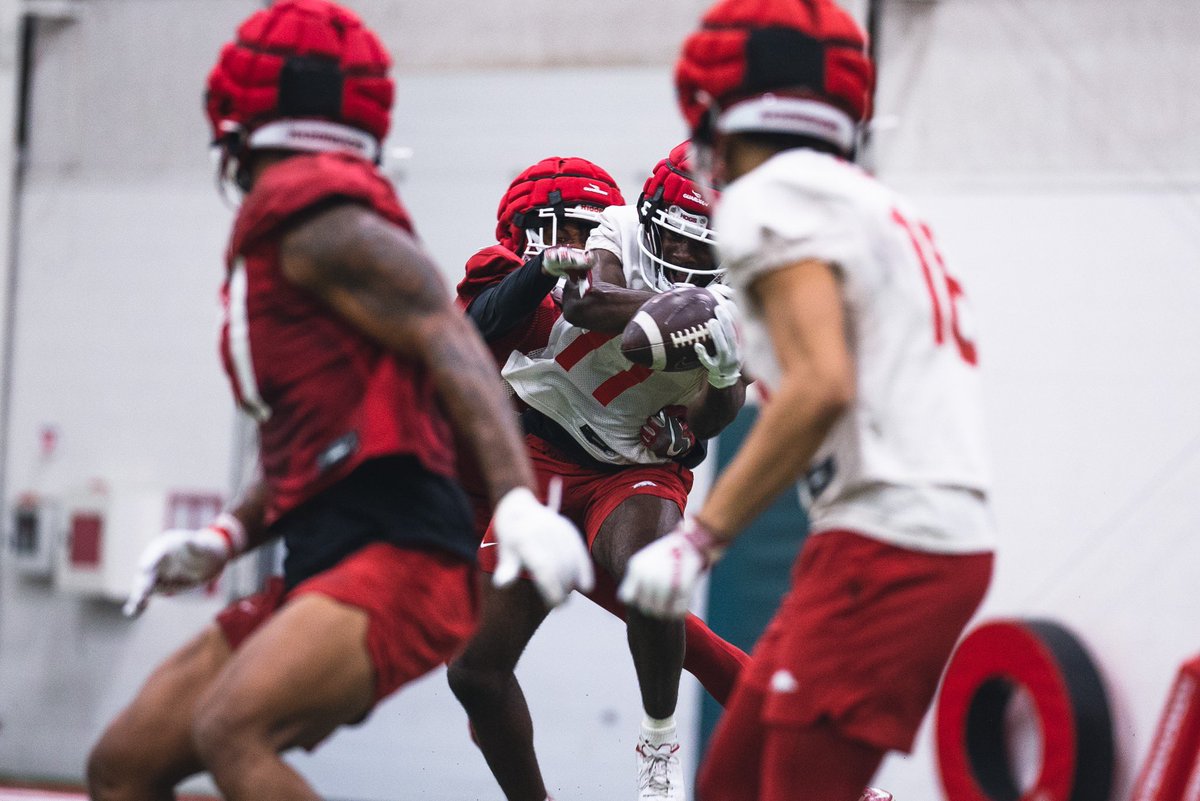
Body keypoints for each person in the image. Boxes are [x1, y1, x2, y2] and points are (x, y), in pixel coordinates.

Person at [85, 2, 592, 800]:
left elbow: (451, 337)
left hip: (401, 553)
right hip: (327, 551)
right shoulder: (296, 229)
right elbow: (317, 431)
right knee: (123, 765)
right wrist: (226, 534)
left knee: (233, 731)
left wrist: (519, 503)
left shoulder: (320, 216)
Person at [618, 2, 995, 801]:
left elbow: (824, 385)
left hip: (891, 542)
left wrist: (698, 542)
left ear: (722, 104)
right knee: (731, 784)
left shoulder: (772, 197)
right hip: (891, 533)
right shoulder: (862, 199)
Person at [447, 145, 747, 801]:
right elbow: (492, 326)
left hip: (631, 470)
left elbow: (711, 415)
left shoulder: (742, 289)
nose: (687, 256)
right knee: (474, 671)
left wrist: (695, 419)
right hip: (537, 470)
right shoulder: (587, 252)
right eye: (563, 229)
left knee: (652, 579)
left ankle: (660, 747)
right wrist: (547, 276)